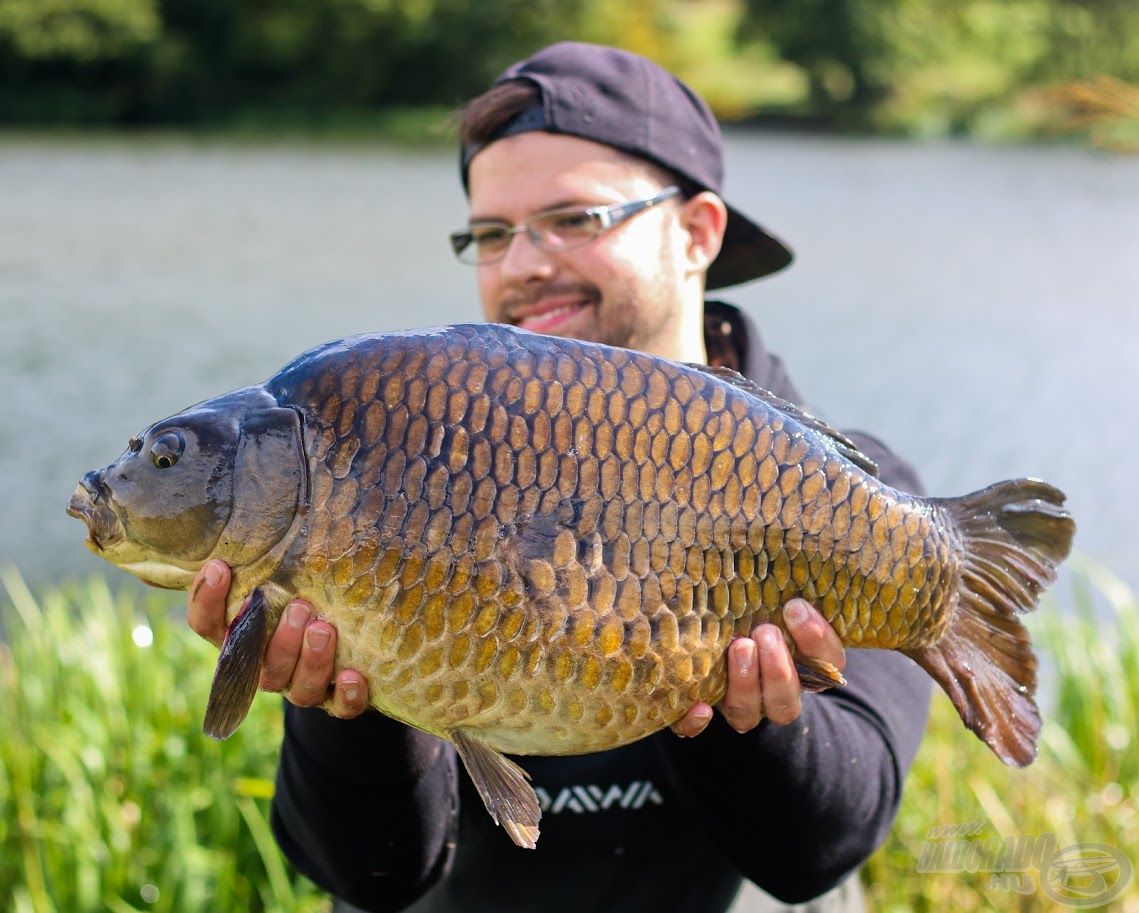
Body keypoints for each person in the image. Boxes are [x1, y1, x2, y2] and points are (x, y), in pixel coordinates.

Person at [188, 42, 931, 913]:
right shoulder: (411, 464)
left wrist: (719, 703)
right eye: (492, 234)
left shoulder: (857, 502)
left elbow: (818, 850)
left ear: (697, 232)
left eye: (574, 219)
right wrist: (344, 694)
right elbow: (368, 875)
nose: (523, 263)